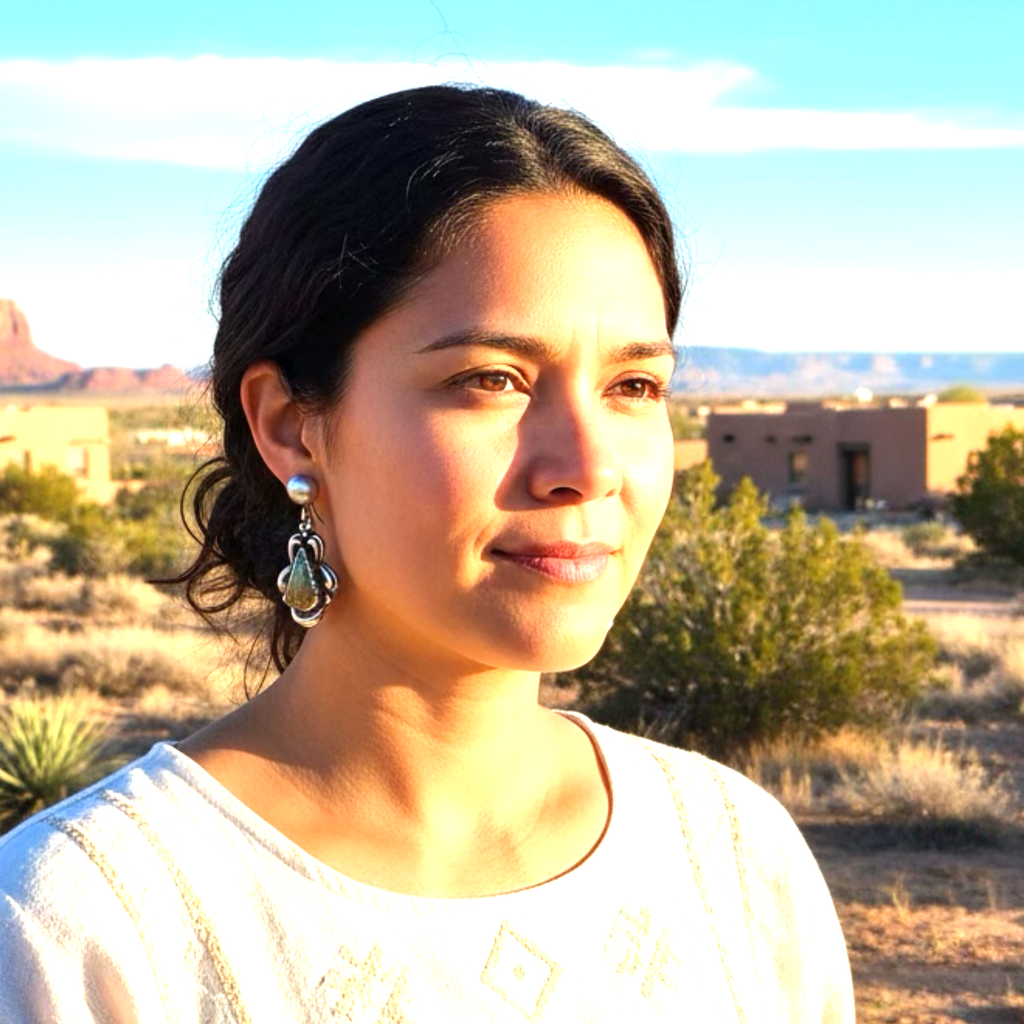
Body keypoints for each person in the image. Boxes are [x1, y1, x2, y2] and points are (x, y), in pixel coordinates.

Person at [0, 84, 854, 1022]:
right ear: (292, 427)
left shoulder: (732, 857)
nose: (586, 468)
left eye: (635, 384)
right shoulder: (87, 926)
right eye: (489, 380)